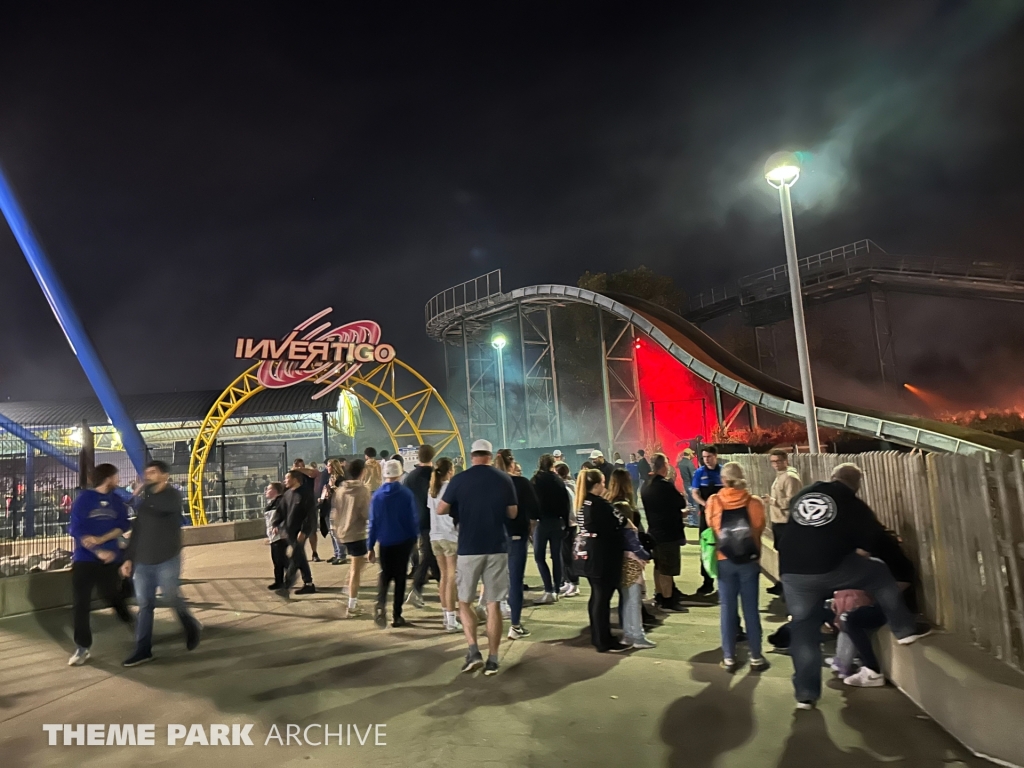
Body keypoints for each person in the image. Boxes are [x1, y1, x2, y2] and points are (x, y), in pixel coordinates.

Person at [779, 463, 931, 709]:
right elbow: (871, 538)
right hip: (830, 567)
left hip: (793, 572)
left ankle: (805, 696)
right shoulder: (851, 502)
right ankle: (904, 630)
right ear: (856, 484)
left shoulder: (805, 493)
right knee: (878, 571)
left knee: (804, 630)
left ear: (832, 477)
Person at [436, 439, 518, 676]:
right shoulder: (504, 479)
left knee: (464, 602)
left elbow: (441, 508)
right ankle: (493, 659)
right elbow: (513, 512)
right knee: (493, 604)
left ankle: (473, 651)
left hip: (469, 547)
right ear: (490, 456)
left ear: (472, 456)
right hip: (497, 546)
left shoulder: (459, 480)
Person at [121, 460, 202, 667]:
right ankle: (143, 649)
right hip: (143, 562)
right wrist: (129, 558)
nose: (148, 476)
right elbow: (137, 531)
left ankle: (190, 625)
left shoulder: (171, 496)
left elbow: (162, 509)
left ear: (165, 475)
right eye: (146, 472)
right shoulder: (146, 501)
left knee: (171, 596)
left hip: (167, 558)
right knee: (145, 605)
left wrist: (139, 495)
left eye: (153, 472)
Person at [705, 462, 770, 673]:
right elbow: (758, 529)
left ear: (723, 480)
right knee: (751, 609)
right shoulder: (754, 503)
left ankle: (729, 657)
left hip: (724, 560)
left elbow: (711, 527)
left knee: (727, 609)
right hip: (749, 562)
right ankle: (757, 656)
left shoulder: (714, 501)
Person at [67, 463, 134, 667]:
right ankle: (82, 646)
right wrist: (97, 550)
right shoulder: (85, 499)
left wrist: (104, 539)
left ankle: (133, 623)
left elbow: (124, 524)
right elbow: (76, 529)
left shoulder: (116, 501)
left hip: (110, 559)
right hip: (85, 560)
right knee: (81, 603)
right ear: (108, 478)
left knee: (112, 596)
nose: (119, 479)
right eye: (116, 476)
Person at [573, 468, 631, 653]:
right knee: (603, 598)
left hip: (589, 554)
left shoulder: (582, 503)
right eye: (603, 483)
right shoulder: (600, 504)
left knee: (597, 596)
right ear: (596, 485)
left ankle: (598, 635)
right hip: (603, 555)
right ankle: (603, 640)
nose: (605, 486)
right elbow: (621, 521)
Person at [606, 469, 656, 650]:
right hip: (631, 557)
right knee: (633, 599)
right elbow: (630, 536)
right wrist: (644, 554)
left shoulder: (611, 504)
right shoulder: (624, 507)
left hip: (618, 556)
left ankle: (629, 634)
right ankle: (637, 635)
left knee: (626, 598)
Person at [367, 460, 420, 628]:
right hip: (403, 540)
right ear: (399, 473)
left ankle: (381, 601)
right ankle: (397, 615)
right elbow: (412, 519)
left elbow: (373, 522)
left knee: (385, 574)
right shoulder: (406, 494)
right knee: (400, 577)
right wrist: (414, 538)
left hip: (385, 541)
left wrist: (370, 546)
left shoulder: (377, 496)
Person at [496, 454, 538, 638]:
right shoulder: (521, 483)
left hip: (493, 538)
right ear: (512, 464)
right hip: (516, 535)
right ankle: (515, 625)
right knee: (515, 582)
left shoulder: (491, 483)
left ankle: (493, 624)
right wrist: (531, 528)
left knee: (493, 582)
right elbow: (535, 511)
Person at [640, 454, 689, 611]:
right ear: (663, 466)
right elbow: (680, 502)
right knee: (667, 569)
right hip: (668, 534)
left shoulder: (645, 486)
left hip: (653, 531)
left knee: (658, 566)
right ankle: (668, 601)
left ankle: (660, 594)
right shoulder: (665, 486)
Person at [332, 459, 371, 615]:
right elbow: (367, 513)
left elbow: (336, 511)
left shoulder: (341, 489)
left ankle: (348, 588)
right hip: (357, 533)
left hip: (342, 533)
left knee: (359, 565)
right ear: (363, 471)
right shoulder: (362, 490)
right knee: (357, 568)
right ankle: (352, 604)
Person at [532, 454, 570, 608]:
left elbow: (531, 502)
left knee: (539, 556)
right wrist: (566, 523)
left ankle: (548, 589)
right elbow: (566, 504)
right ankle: (556, 589)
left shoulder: (535, 481)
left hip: (541, 523)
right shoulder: (558, 481)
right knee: (556, 556)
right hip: (557, 521)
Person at [428, 458, 461, 632]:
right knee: (451, 577)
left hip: (435, 536)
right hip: (450, 536)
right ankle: (451, 618)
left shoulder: (431, 489)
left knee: (443, 577)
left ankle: (445, 614)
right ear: (450, 471)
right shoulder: (451, 488)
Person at [405, 444, 439, 609]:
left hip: (416, 520)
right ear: (433, 456)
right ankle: (416, 589)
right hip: (433, 520)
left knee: (430, 555)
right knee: (428, 555)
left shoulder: (410, 477)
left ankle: (442, 586)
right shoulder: (435, 476)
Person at [763, 448, 802, 595]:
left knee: (788, 555)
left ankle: (788, 586)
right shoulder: (780, 476)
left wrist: (772, 501)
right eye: (773, 461)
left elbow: (793, 500)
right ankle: (782, 583)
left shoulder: (790, 477)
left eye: (778, 461)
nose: (775, 464)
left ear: (786, 461)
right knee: (781, 553)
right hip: (778, 520)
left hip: (786, 522)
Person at [277, 469, 316, 596]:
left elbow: (310, 514)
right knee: (300, 557)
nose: (285, 480)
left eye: (287, 478)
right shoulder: (287, 494)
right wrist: (276, 524)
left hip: (301, 532)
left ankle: (286, 586)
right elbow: (281, 511)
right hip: (290, 531)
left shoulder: (305, 494)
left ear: (295, 479)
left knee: (295, 557)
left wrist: (304, 531)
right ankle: (308, 583)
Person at [690, 446, 724, 594]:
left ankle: (723, 582)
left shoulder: (723, 472)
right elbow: (695, 493)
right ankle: (707, 582)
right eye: (704, 457)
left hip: (723, 517)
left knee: (723, 549)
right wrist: (706, 505)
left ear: (715, 456)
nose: (707, 460)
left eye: (709, 456)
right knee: (707, 547)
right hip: (706, 517)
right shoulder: (699, 473)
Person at [554, 461, 581, 597]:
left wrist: (567, 522)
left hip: (569, 524)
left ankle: (574, 584)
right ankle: (568, 581)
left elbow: (570, 509)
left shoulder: (566, 488)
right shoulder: (569, 486)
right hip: (570, 523)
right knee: (564, 554)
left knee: (568, 554)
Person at [291, 459, 321, 561]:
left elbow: (313, 473)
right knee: (297, 532)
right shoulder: (293, 477)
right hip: (296, 507)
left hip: (309, 506)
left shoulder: (308, 476)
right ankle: (299, 553)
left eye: (300, 466)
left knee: (312, 531)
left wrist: (300, 469)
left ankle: (314, 552)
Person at [322, 459, 349, 565]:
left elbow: (344, 493)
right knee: (332, 532)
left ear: (334, 467)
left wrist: (333, 486)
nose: (327, 468)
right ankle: (337, 553)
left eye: (329, 466)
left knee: (337, 532)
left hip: (337, 508)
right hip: (329, 506)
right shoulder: (330, 478)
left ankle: (342, 555)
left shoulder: (340, 479)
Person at [265, 482, 288, 589]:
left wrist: (278, 526)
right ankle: (279, 580)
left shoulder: (280, 502)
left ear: (275, 491)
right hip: (274, 536)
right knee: (277, 559)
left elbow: (283, 516)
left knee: (280, 559)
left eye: (269, 489)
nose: (266, 491)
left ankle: (282, 579)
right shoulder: (271, 503)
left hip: (280, 535)